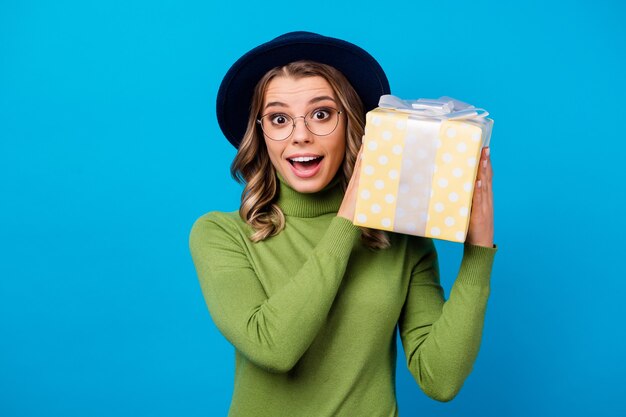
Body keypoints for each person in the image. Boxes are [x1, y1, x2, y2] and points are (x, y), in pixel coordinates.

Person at [189, 31, 496, 417]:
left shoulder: (399, 236)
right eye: (279, 118)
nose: (301, 135)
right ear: (261, 135)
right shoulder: (221, 234)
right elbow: (273, 347)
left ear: (353, 124)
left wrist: (478, 253)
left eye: (321, 114)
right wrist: (351, 213)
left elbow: (440, 379)